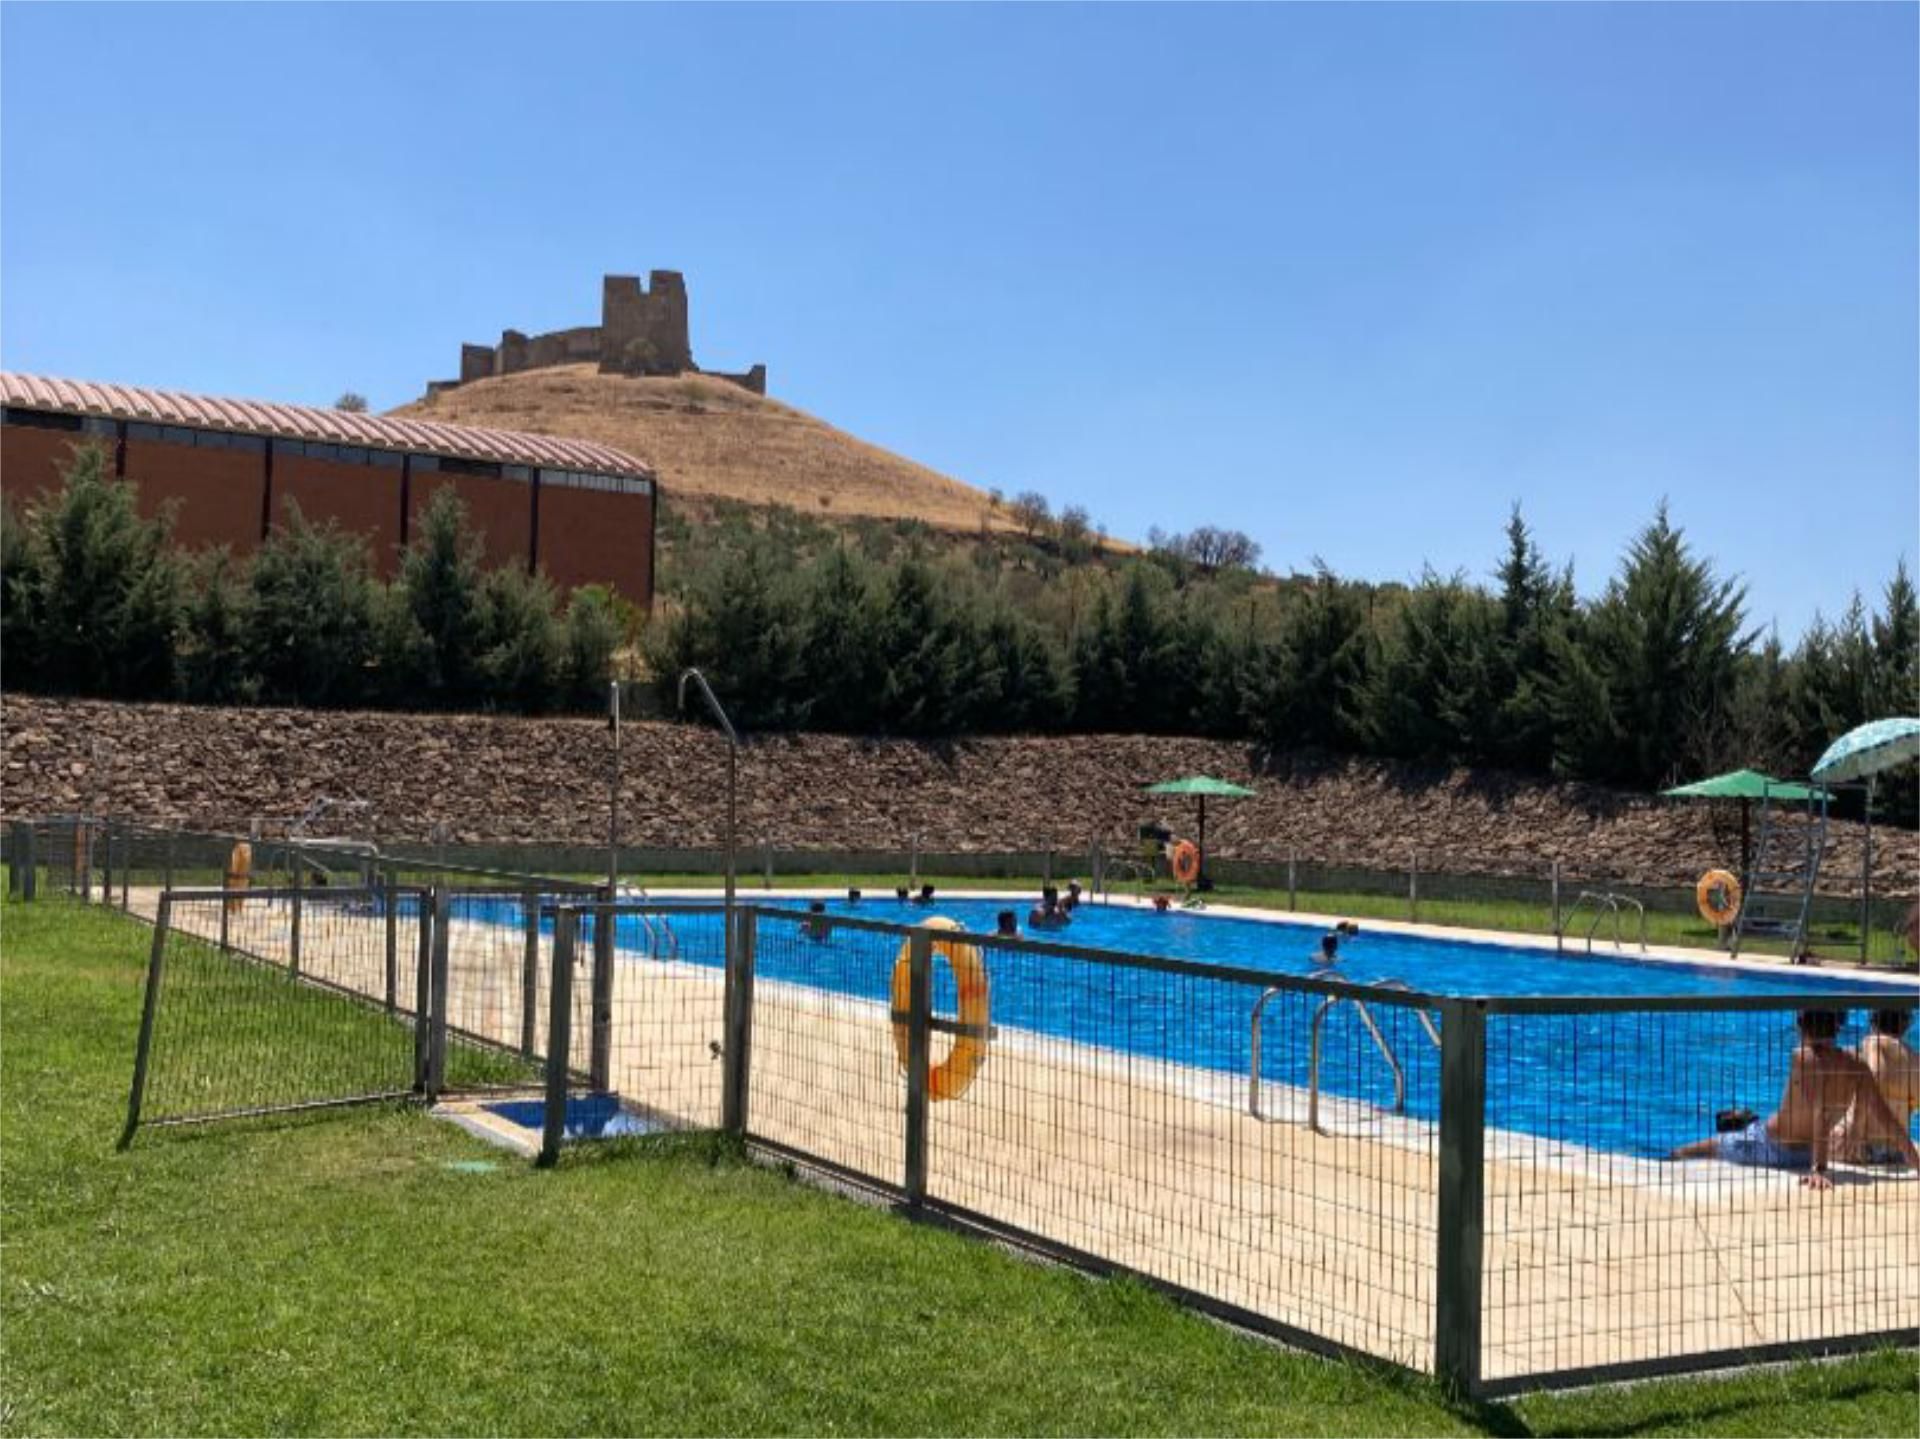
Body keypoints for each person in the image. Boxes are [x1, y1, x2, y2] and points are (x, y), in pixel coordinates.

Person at [1670, 1010, 1919, 1187]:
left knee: (1685, 1151)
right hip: (1806, 1152)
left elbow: (1818, 1109)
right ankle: (1743, 1120)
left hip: (1769, 1145)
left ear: (1801, 1025)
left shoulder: (1802, 1057)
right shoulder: (1855, 1064)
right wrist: (1915, 1161)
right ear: (1838, 1025)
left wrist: (1819, 1169)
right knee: (1740, 1125)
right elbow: (1885, 1116)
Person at [1832, 1009, 1920, 1165]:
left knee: (1808, 1138)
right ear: (1906, 1024)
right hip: (1897, 1152)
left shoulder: (1874, 1042)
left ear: (1873, 1021)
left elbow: (1873, 1079)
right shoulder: (1916, 1059)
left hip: (1864, 1148)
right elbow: (1915, 1104)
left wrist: (1855, 1128)